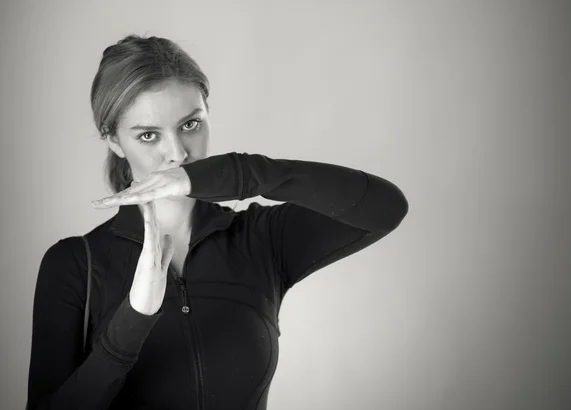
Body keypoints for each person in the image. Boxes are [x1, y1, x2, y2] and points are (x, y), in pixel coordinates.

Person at [26, 34, 409, 410]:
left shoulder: (260, 239)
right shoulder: (74, 265)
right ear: (113, 141)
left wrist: (235, 172)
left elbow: (384, 206)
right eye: (148, 135)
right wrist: (135, 317)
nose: (176, 154)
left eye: (190, 125)